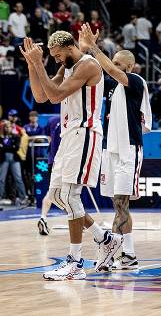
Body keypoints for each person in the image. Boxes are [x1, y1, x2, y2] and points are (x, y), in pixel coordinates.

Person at [20, 33, 122, 280]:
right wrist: (33, 65)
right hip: (69, 136)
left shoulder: (87, 64)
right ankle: (105, 238)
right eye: (52, 57)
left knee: (70, 195)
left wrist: (40, 64)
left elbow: (55, 96)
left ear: (70, 47)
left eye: (58, 56)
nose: (56, 61)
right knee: (56, 195)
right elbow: (41, 96)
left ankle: (75, 263)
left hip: (85, 133)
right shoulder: (67, 67)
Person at [79, 23, 151, 270]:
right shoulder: (112, 86)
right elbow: (95, 70)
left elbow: (107, 67)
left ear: (128, 67)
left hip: (129, 149)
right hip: (111, 149)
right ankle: (121, 252)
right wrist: (85, 50)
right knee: (116, 204)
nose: (113, 67)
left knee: (121, 203)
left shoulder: (136, 81)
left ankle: (125, 254)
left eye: (118, 65)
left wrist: (94, 48)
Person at [37, 115, 61, 235]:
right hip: (66, 161)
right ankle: (79, 220)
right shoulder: (74, 119)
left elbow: (49, 139)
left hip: (52, 160)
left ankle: (43, 217)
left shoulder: (52, 120)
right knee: (70, 193)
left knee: (52, 191)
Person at [0, 120, 27, 204]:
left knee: (18, 178)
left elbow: (16, 148)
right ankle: (1, 197)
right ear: (3, 128)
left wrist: (4, 147)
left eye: (9, 127)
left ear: (11, 127)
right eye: (6, 127)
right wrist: (10, 146)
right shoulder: (0, 137)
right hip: (3, 159)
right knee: (1, 179)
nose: (7, 128)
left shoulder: (16, 136)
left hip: (14, 159)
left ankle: (23, 197)